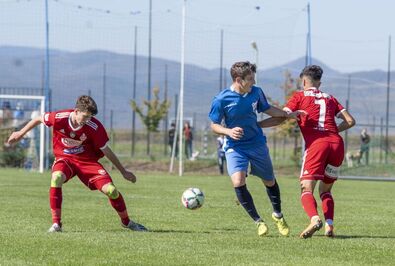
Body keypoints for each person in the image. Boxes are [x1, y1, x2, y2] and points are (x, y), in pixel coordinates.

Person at [7, 95, 147, 233]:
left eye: (90, 117)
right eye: (85, 116)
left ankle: (127, 222)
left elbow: (106, 150)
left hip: (87, 162)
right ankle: (56, 224)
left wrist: (123, 171)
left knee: (111, 190)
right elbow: (38, 118)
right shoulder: (59, 117)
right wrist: (20, 133)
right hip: (65, 158)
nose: (87, 120)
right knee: (56, 178)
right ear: (76, 111)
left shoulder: (94, 126)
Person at [209, 61, 303, 237]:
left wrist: (287, 114)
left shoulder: (256, 92)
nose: (253, 82)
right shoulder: (221, 99)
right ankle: (258, 222)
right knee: (238, 181)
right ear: (239, 79)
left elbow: (267, 109)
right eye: (250, 79)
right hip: (235, 147)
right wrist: (228, 131)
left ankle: (278, 215)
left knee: (269, 181)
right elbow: (214, 125)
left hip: (257, 143)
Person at [261, 65, 355, 238]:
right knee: (326, 191)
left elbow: (281, 117)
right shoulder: (330, 98)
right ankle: (329, 225)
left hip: (317, 146)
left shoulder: (299, 96)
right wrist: (332, 132)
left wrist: (258, 125)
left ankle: (314, 219)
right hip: (337, 145)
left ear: (304, 80)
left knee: (306, 188)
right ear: (319, 81)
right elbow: (350, 121)